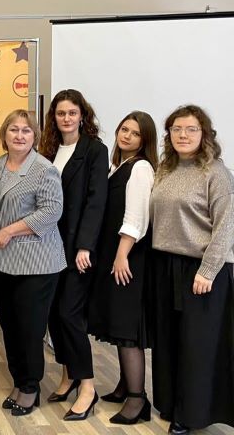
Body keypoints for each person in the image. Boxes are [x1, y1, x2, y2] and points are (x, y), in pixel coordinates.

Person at [150, 105, 234, 435]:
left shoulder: (216, 173)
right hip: (165, 264)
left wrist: (208, 270)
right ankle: (171, 403)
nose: (183, 135)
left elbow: (226, 226)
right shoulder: (166, 168)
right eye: (176, 129)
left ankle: (192, 414)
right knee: (169, 339)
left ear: (205, 134)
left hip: (200, 270)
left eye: (191, 129)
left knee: (197, 346)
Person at [0, 109, 66, 417]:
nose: (19, 135)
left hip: (37, 262)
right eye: (14, 130)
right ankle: (19, 381)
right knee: (9, 325)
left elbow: (51, 212)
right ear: (4, 134)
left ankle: (31, 388)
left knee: (29, 328)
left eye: (26, 130)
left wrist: (9, 231)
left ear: (35, 136)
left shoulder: (44, 169)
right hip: (3, 261)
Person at [39, 89, 107, 420]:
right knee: (54, 314)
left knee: (69, 314)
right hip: (48, 246)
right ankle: (68, 376)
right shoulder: (49, 150)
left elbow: (96, 201)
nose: (66, 118)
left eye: (72, 112)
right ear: (53, 117)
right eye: (60, 113)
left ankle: (88, 387)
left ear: (82, 116)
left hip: (76, 248)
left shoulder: (94, 150)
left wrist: (85, 246)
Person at [86, 111, 157, 425]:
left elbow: (136, 218)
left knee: (128, 328)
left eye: (136, 133)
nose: (127, 136)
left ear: (145, 140)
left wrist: (121, 255)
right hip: (115, 255)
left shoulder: (140, 168)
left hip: (128, 257)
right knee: (117, 321)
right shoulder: (119, 166)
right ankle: (125, 385)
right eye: (124, 129)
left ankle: (137, 399)